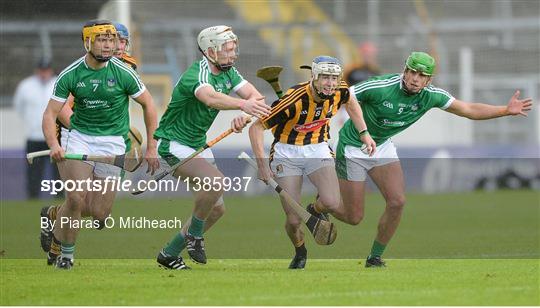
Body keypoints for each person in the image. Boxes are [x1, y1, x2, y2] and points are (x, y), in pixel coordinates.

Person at [334, 51, 533, 267]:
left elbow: (467, 109)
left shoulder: (431, 95)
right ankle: (321, 205)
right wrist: (361, 132)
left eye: (421, 75)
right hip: (352, 147)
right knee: (353, 217)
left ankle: (374, 257)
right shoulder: (380, 86)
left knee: (397, 202)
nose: (415, 78)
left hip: (381, 146)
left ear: (429, 79)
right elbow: (345, 96)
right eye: (411, 72)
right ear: (404, 70)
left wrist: (504, 110)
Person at [42, 19, 159, 269]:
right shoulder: (72, 74)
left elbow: (149, 104)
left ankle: (54, 216)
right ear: (88, 42)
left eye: (114, 41)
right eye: (103, 40)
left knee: (98, 213)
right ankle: (66, 255)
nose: (111, 46)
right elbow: (53, 112)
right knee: (75, 198)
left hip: (113, 143)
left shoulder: (126, 71)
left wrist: (151, 147)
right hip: (79, 138)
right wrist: (57, 141)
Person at [154, 25, 271, 270]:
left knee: (216, 210)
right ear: (210, 51)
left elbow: (256, 98)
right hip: (173, 143)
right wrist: (242, 105)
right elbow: (210, 98)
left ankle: (169, 253)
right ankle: (195, 236)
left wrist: (245, 116)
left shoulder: (230, 73)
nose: (233, 54)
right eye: (227, 50)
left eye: (233, 49)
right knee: (216, 182)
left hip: (197, 144)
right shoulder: (198, 74)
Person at [248, 56, 376, 269]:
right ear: (314, 77)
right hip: (287, 153)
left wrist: (364, 133)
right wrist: (262, 165)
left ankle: (314, 209)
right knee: (294, 219)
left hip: (318, 148)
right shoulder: (293, 99)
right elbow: (256, 127)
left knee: (332, 203)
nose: (330, 83)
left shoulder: (341, 90)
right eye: (325, 77)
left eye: (334, 77)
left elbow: (351, 103)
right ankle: (300, 251)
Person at [13, 58, 59, 199]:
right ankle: (32, 197)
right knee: (34, 171)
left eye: (46, 70)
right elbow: (19, 107)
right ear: (37, 70)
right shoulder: (26, 86)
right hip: (34, 136)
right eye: (41, 70)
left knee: (58, 171)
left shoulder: (58, 83)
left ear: (51, 70)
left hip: (56, 137)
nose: (44, 73)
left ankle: (61, 198)